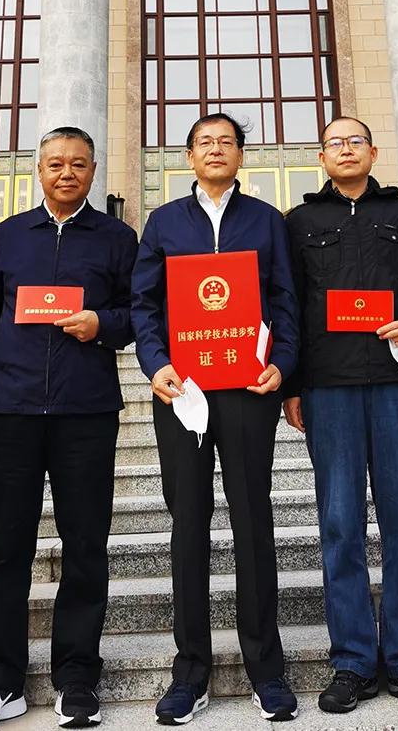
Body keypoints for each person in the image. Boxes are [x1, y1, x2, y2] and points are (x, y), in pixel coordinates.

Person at [0, 127, 137, 731]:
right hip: (12, 409)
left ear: (93, 172)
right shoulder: (8, 235)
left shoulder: (116, 238)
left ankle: (77, 677)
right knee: (7, 546)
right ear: (39, 170)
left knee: (85, 544)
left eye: (78, 164)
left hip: (86, 411)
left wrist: (102, 324)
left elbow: (140, 313)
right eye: (56, 163)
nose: (66, 173)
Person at [130, 112, 300, 725]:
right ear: (189, 156)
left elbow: (285, 299)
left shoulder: (266, 220)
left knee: (253, 520)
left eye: (227, 142)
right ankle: (190, 671)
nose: (216, 150)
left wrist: (282, 364)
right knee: (189, 524)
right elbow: (144, 303)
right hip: (184, 391)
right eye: (205, 142)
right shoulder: (164, 222)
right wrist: (156, 364)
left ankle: (266, 669)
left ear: (241, 155)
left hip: (249, 389)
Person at [283, 117, 398, 716]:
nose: (346, 150)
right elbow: (288, 306)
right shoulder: (300, 222)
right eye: (335, 143)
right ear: (321, 156)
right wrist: (292, 386)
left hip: (395, 384)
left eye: (356, 141)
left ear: (373, 152)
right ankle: (352, 660)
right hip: (329, 388)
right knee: (340, 524)